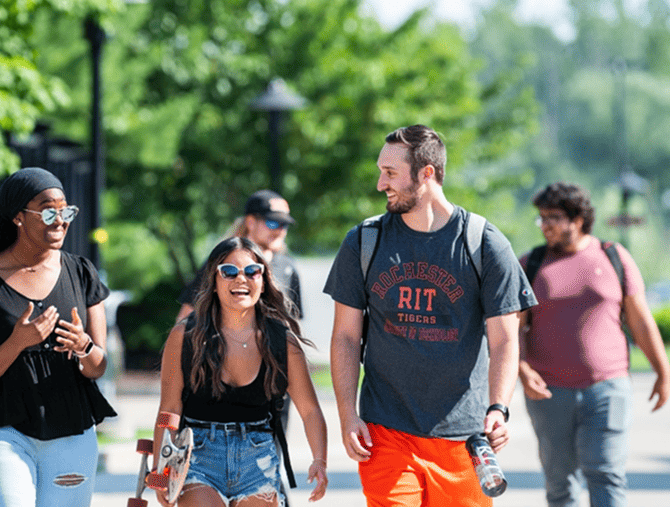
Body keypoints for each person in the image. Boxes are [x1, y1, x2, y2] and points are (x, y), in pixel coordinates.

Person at [323, 124, 536, 507]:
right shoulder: (364, 241)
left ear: (426, 173)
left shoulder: (484, 244)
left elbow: (504, 339)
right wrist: (346, 414)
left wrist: (498, 408)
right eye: (380, 171)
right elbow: (345, 337)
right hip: (386, 432)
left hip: (463, 438)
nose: (379, 183)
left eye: (390, 173)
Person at [0, 167, 116, 507]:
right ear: (19, 217)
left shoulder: (81, 273)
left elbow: (98, 366)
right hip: (0, 431)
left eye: (65, 211)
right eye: (49, 211)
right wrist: (16, 342)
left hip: (71, 430)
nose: (60, 220)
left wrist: (84, 347)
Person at [518, 182, 670, 507]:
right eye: (541, 217)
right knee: (560, 483)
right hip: (549, 392)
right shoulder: (531, 264)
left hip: (607, 387)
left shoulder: (613, 256)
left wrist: (663, 370)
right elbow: (514, 326)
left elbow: (640, 320)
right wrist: (521, 367)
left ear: (578, 219)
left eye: (554, 217)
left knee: (606, 475)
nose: (545, 224)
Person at [156, 237, 328, 507]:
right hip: (197, 456)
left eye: (251, 271)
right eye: (229, 272)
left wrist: (320, 460)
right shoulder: (184, 336)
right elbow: (169, 409)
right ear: (214, 280)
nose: (241, 279)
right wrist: (161, 470)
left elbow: (310, 410)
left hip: (257, 459)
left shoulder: (281, 341)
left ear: (263, 278)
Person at [176, 190, 302, 323]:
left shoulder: (287, 266)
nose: (279, 231)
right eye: (273, 223)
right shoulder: (221, 262)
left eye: (284, 225)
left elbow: (293, 324)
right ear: (251, 222)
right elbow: (185, 319)